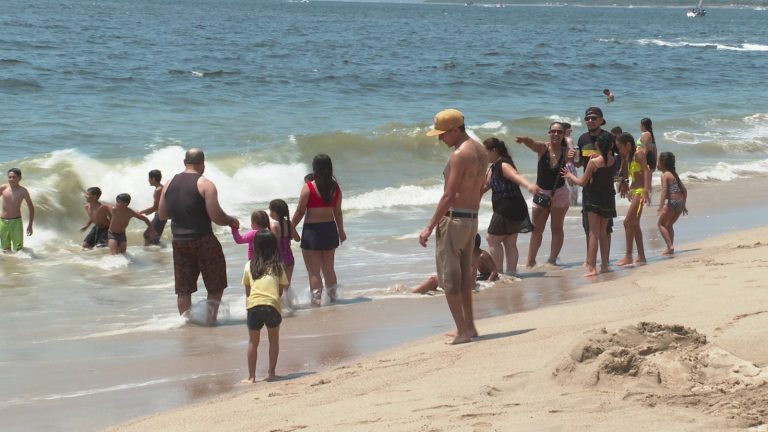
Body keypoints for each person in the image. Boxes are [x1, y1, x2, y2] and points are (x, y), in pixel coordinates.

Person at [419, 108, 487, 345]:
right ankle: (469, 326)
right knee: (465, 279)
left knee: (450, 280)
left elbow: (449, 195)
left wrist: (429, 227)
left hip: (454, 220)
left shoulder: (459, 155)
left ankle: (462, 331)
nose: (440, 138)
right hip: (471, 219)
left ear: (455, 130)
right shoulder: (481, 151)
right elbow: (480, 187)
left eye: (443, 133)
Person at [158, 148, 240, 325]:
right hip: (202, 239)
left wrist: (182, 214)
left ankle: (186, 323)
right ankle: (210, 321)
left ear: (184, 162)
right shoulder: (205, 184)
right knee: (215, 282)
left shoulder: (169, 183)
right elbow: (216, 217)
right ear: (203, 162)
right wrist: (232, 221)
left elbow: (162, 214)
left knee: (183, 288)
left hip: (179, 241)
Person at [291, 154, 346, 306]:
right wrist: (341, 231)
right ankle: (333, 299)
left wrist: (290, 226)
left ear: (314, 168)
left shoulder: (308, 188)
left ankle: (316, 302)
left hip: (312, 232)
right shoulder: (335, 188)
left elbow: (300, 211)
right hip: (330, 229)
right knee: (329, 269)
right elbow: (338, 212)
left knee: (314, 271)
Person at [516, 122, 570, 268]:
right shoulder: (543, 148)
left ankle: (552, 260)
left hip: (560, 193)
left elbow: (577, 163)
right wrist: (524, 139)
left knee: (557, 228)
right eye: (553, 131)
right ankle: (530, 261)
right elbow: (532, 143)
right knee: (537, 229)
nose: (556, 134)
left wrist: (575, 157)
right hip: (541, 193)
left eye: (559, 132)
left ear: (564, 134)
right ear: (549, 133)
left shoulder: (567, 151)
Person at [563, 133, 617, 277]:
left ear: (597, 146)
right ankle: (604, 265)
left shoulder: (593, 163)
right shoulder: (614, 160)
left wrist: (570, 176)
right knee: (604, 233)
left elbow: (582, 182)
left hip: (593, 199)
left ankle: (592, 268)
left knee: (593, 233)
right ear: (611, 146)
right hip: (608, 199)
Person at [481, 137, 536, 275]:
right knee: (509, 242)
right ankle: (511, 273)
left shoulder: (503, 164)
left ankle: (498, 273)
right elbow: (485, 187)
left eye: (485, 152)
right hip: (515, 206)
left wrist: (528, 185)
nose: (483, 155)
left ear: (493, 150)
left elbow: (515, 175)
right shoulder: (493, 167)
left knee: (492, 239)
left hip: (508, 207)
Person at [241, 230, 288, 384]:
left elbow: (248, 293)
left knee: (253, 342)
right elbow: (280, 291)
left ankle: (251, 377)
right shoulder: (278, 266)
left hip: (253, 306)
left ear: (255, 246)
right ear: (274, 246)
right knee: (273, 340)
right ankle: (271, 373)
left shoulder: (249, 266)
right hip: (272, 305)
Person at [571, 107, 615, 257]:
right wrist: (572, 158)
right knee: (588, 227)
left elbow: (617, 160)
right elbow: (579, 164)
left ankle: (605, 259)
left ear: (602, 120)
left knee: (606, 228)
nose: (590, 121)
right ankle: (591, 260)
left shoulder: (608, 138)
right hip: (589, 189)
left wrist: (625, 180)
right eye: (587, 118)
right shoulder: (583, 139)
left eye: (594, 118)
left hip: (606, 188)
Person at [412, 233, 498, 294]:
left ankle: (412, 294)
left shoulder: (482, 255)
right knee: (435, 280)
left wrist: (488, 282)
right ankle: (416, 292)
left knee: (433, 279)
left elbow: (494, 271)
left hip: (472, 283)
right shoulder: (470, 255)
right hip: (473, 281)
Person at [615, 133, 651, 266]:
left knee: (627, 222)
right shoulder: (628, 157)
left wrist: (646, 191)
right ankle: (641, 256)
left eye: (620, 147)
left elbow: (646, 171)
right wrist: (626, 185)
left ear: (628, 145)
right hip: (634, 191)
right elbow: (627, 173)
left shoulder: (639, 154)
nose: (619, 150)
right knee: (634, 224)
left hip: (641, 192)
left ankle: (629, 256)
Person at [657, 152, 687, 256]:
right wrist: (684, 205)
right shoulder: (674, 174)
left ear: (662, 163)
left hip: (673, 203)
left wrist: (661, 206)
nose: (656, 163)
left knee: (660, 224)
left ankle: (670, 247)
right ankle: (670, 247)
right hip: (681, 202)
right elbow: (684, 190)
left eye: (658, 161)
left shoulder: (665, 175)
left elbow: (664, 191)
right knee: (669, 224)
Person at [0, 168, 34, 252]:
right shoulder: (3, 188)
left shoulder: (23, 191)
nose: (11, 179)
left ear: (19, 178)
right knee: (5, 249)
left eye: (14, 177)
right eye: (10, 177)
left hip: (16, 222)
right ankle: (10, 265)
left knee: (19, 249)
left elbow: (31, 207)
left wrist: (30, 225)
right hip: (2, 222)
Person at [269, 199, 300, 287]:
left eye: (270, 210)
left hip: (278, 259)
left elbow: (275, 244)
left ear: (275, 212)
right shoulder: (288, 223)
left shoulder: (273, 225)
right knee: (287, 286)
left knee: (277, 287)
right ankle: (288, 301)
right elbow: (297, 239)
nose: (270, 213)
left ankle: (281, 301)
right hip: (289, 258)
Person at [140, 170, 166, 246]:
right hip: (161, 215)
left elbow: (156, 206)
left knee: (148, 235)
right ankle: (157, 253)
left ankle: (153, 254)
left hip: (160, 216)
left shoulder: (158, 190)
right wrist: (149, 211)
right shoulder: (162, 187)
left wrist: (140, 212)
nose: (148, 180)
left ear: (153, 179)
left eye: (149, 178)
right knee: (153, 237)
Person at [562, 123, 580, 206]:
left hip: (562, 165)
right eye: (570, 129)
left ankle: (568, 206)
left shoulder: (560, 140)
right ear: (565, 130)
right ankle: (573, 206)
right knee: (573, 187)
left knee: (565, 187)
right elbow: (572, 153)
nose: (571, 130)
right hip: (569, 165)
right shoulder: (568, 139)